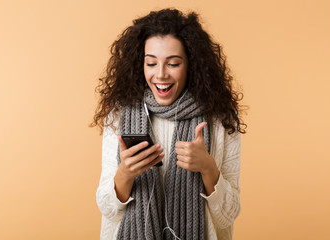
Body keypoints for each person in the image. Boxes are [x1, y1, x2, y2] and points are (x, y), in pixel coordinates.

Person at [91, 8, 246, 240]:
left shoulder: (219, 117)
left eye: (173, 63)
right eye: (151, 63)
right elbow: (108, 210)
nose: (160, 74)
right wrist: (125, 173)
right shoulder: (119, 114)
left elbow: (228, 216)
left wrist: (208, 168)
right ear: (139, 64)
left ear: (191, 65)